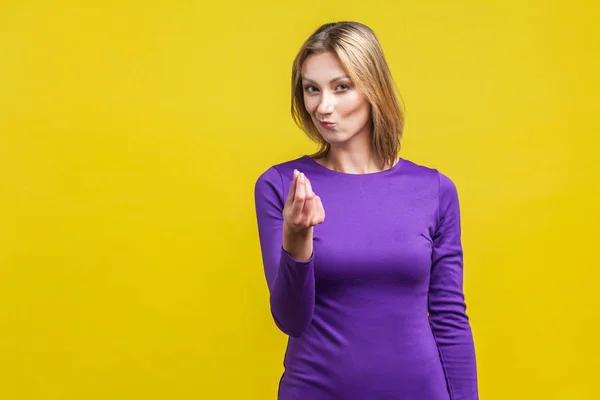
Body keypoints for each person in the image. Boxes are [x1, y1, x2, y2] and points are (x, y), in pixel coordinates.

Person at [253, 21, 478, 400]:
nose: (323, 106)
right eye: (312, 89)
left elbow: (449, 319)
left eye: (341, 87)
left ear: (373, 88)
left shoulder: (434, 190)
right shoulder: (281, 187)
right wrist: (297, 237)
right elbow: (290, 319)